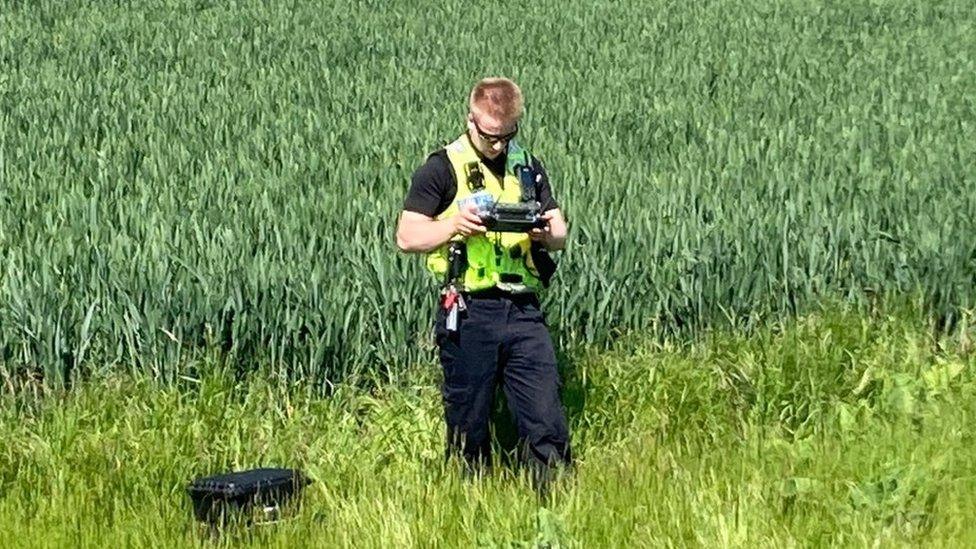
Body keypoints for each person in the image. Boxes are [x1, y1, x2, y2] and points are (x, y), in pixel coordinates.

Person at [395, 77, 572, 487]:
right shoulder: (441, 167)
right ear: (470, 120)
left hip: (523, 307)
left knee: (544, 412)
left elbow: (560, 235)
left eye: (506, 137)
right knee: (468, 417)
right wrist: (455, 224)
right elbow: (407, 236)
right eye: (490, 137)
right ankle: (469, 496)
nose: (498, 145)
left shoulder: (527, 165)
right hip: (469, 310)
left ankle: (557, 498)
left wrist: (547, 234)